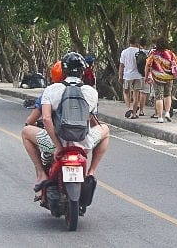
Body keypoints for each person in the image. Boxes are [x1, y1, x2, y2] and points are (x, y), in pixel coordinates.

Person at [21, 52, 110, 195]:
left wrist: (58, 146)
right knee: (105, 130)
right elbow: (92, 119)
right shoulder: (92, 92)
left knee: (25, 133)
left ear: (63, 70)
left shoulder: (51, 90)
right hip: (84, 143)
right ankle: (91, 172)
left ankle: (41, 174)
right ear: (83, 71)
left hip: (56, 144)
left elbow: (46, 119)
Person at [144, 36, 177, 123]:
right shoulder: (171, 53)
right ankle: (167, 112)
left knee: (159, 97)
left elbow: (147, 65)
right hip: (169, 78)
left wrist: (146, 76)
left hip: (157, 78)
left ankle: (160, 117)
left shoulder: (153, 54)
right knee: (168, 95)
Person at [118, 36, 144, 118]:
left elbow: (121, 65)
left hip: (127, 75)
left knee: (126, 92)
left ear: (129, 42)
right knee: (136, 95)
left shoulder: (124, 52)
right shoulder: (140, 51)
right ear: (137, 43)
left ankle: (129, 108)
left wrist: (120, 76)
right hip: (138, 75)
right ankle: (134, 114)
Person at [136, 37, 151, 117]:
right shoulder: (149, 53)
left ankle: (134, 107)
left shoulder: (137, 53)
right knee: (143, 93)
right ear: (147, 45)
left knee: (135, 92)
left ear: (139, 44)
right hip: (145, 75)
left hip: (136, 75)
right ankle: (141, 110)